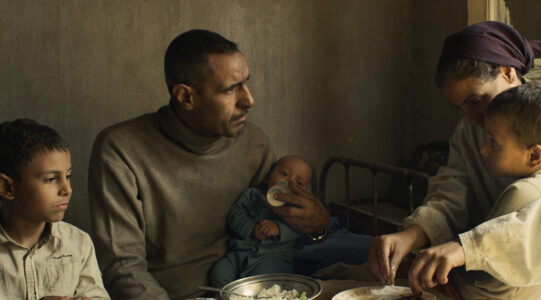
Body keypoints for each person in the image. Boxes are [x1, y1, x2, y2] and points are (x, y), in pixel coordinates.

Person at [88, 29, 329, 300]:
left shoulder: (254, 143)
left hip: (252, 290)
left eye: (246, 83)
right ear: (186, 97)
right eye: (230, 89)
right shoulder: (121, 150)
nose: (249, 100)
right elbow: (123, 268)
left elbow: (276, 236)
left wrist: (318, 226)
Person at [368, 21, 541, 299]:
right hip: (494, 277)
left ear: (508, 72)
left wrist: (469, 248)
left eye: (476, 100)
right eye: (460, 107)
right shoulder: (469, 131)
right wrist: (412, 235)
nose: (471, 118)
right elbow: (452, 197)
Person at [454, 81, 541, 298]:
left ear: (534, 156)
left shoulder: (522, 193)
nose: (483, 150)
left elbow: (483, 274)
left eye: (493, 142)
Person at [0, 119, 109, 300]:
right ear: (6, 187)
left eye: (68, 176)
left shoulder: (79, 243)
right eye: (51, 179)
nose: (67, 189)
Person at [210, 155, 312, 288]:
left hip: (271, 259)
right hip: (239, 254)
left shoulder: (296, 210)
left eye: (299, 183)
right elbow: (235, 214)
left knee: (265, 284)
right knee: (219, 273)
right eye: (284, 173)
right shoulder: (252, 196)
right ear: (268, 177)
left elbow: (301, 228)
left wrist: (278, 228)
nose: (289, 183)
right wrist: (251, 229)